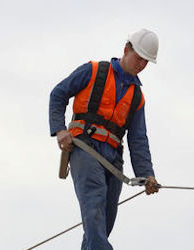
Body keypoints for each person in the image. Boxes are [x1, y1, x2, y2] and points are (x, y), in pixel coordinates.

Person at [49, 28, 159, 250]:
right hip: (85, 150)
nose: (141, 65)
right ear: (126, 50)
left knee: (103, 222)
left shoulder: (137, 97)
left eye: (146, 62)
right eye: (139, 58)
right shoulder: (94, 71)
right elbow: (58, 94)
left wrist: (147, 175)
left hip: (113, 161)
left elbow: (138, 139)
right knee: (94, 206)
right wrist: (60, 130)